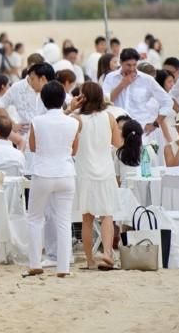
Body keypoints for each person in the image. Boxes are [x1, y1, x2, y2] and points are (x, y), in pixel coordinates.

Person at [24, 81, 79, 278]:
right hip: (66, 173)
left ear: (44, 100)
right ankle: (63, 267)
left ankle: (35, 263)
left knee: (35, 218)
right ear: (63, 99)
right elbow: (75, 149)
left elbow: (31, 147)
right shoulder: (73, 122)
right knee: (63, 221)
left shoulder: (37, 121)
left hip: (43, 173)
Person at [72, 82, 121, 270]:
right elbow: (117, 143)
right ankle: (107, 254)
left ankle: (90, 260)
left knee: (87, 218)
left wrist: (70, 109)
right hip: (106, 170)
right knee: (107, 214)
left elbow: (71, 143)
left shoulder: (77, 120)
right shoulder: (109, 117)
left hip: (85, 171)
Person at [114, 118, 154, 183]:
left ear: (123, 135)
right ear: (141, 135)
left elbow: (117, 179)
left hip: (124, 191)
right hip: (144, 191)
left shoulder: (119, 153)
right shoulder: (148, 151)